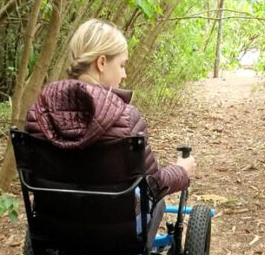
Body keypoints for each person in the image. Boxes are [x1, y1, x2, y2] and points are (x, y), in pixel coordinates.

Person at [24, 19, 196, 199]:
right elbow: (153, 186)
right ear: (102, 63)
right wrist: (181, 170)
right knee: (155, 203)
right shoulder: (127, 119)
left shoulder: (37, 114)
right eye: (121, 65)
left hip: (51, 224)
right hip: (119, 227)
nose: (124, 74)